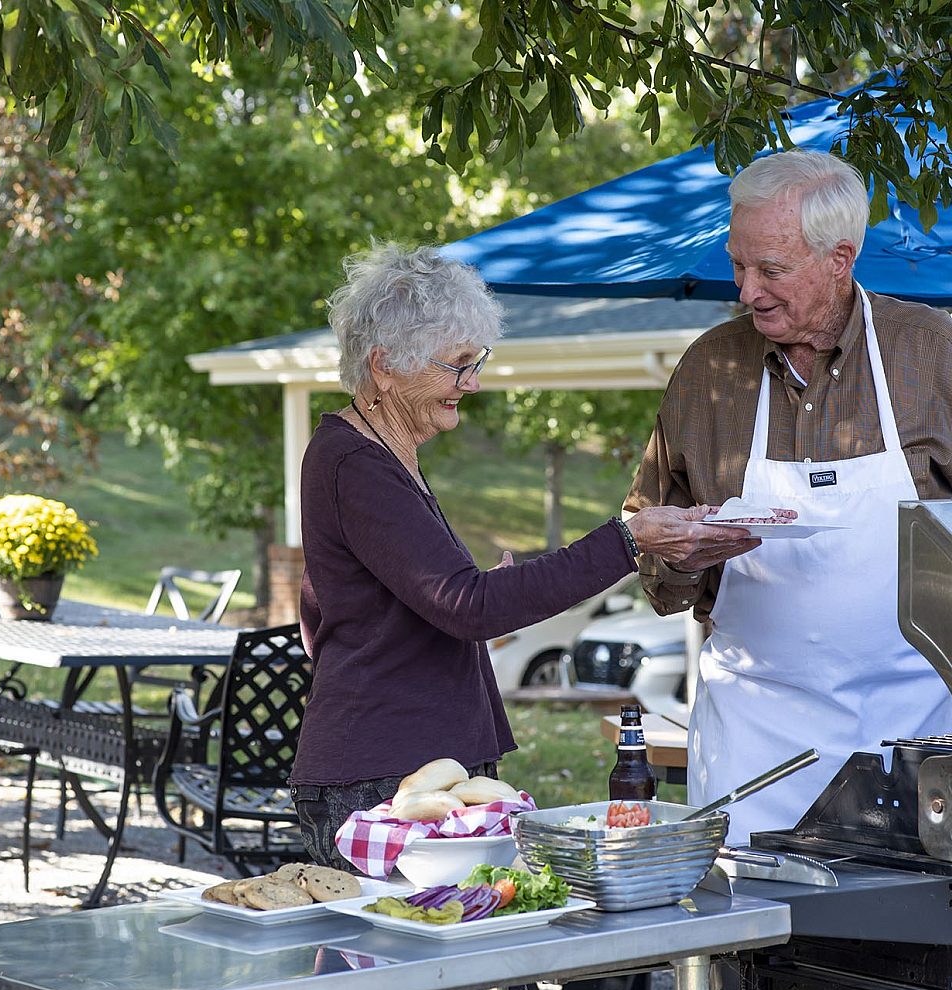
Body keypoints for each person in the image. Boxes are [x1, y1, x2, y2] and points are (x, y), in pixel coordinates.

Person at [288, 242, 754, 868]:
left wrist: (471, 598)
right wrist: (628, 539)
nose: (471, 383)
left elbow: (352, 606)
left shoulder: (383, 454)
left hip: (418, 759)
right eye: (456, 365)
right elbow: (467, 609)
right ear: (384, 366)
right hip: (382, 775)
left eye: (473, 362)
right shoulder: (353, 461)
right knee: (408, 960)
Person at [624, 148, 952, 843]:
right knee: (752, 945)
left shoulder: (931, 355)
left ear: (840, 259)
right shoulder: (709, 371)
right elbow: (650, 551)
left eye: (770, 270)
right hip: (755, 746)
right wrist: (682, 553)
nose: (746, 291)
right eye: (738, 265)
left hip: (919, 741)